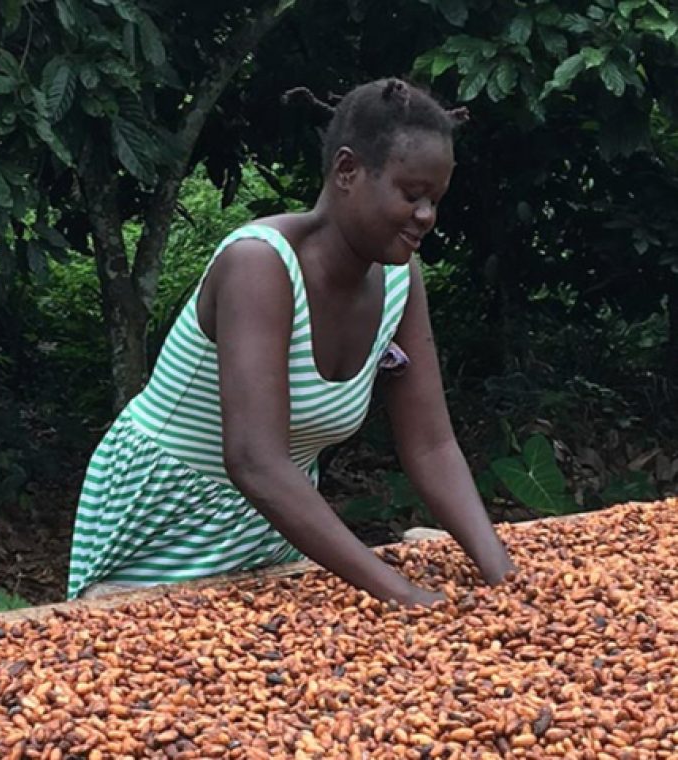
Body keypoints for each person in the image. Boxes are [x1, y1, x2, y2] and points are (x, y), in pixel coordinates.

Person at [67, 78, 515, 604]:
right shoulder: (259, 264)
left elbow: (432, 445)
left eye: (435, 200)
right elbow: (255, 460)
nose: (426, 217)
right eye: (411, 195)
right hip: (165, 524)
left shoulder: (399, 277)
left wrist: (502, 578)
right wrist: (403, 595)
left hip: (269, 533)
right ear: (347, 170)